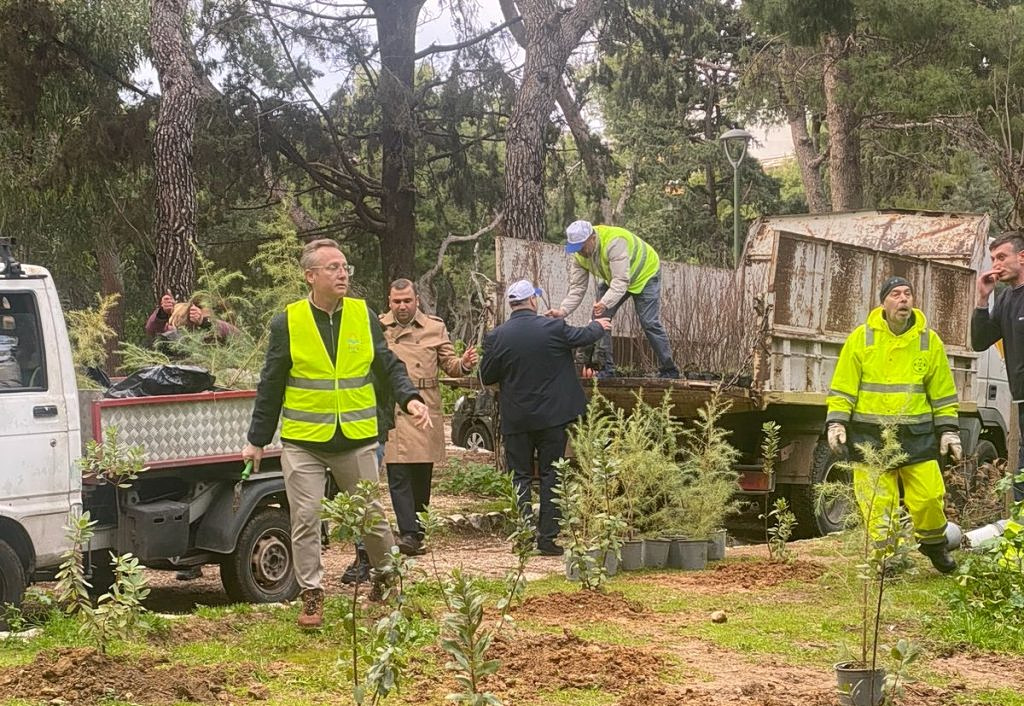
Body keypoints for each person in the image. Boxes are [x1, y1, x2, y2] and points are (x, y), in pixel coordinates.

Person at [242, 238, 432, 629]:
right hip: (304, 443)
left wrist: (410, 399)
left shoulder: (363, 316)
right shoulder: (288, 322)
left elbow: (387, 364)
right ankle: (312, 593)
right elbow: (271, 384)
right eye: (333, 267)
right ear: (310, 276)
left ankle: (386, 575)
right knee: (306, 516)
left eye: (345, 266)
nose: (342, 273)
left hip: (356, 438)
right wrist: (257, 440)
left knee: (370, 517)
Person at [826, 276, 961, 574]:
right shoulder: (861, 339)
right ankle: (887, 559)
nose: (904, 299)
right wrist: (836, 422)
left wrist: (949, 430)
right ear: (884, 302)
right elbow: (843, 387)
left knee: (928, 498)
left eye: (908, 293)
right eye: (896, 294)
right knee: (877, 504)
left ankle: (934, 545)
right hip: (869, 437)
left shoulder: (929, 340)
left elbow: (942, 392)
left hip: (918, 437)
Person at [481, 279, 611, 555]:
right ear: (532, 301)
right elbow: (582, 336)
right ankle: (548, 539)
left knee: (520, 476)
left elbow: (486, 375)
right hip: (554, 418)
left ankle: (524, 536)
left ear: (512, 305)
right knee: (553, 473)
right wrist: (600, 325)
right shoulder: (552, 327)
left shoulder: (497, 336)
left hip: (517, 419)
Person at [378, 279, 479, 556]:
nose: (402, 306)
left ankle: (418, 531)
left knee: (421, 473)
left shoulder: (434, 327)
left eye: (407, 301)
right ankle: (408, 533)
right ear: (389, 301)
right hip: (394, 406)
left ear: (416, 301)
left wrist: (465, 364)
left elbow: (450, 365)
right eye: (397, 302)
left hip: (425, 404)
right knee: (397, 472)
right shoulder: (379, 327)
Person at [545, 220, 679, 379]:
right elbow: (577, 288)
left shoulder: (614, 242)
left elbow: (622, 282)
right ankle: (607, 370)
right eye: (575, 248)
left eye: (582, 247)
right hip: (616, 279)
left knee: (649, 323)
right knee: (599, 320)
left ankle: (669, 370)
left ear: (592, 238)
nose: (580, 252)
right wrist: (563, 311)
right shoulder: (578, 256)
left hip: (645, 274)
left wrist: (604, 302)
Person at [972, 230, 1024, 501]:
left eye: (1002, 257)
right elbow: (980, 342)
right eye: (993, 259)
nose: (996, 265)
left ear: (1022, 257)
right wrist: (982, 300)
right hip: (1021, 400)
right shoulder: (1004, 299)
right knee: (1022, 477)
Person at [145, 292, 239, 344]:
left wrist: (204, 322)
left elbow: (236, 334)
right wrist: (162, 313)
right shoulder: (183, 334)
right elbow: (153, 330)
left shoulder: (226, 330)